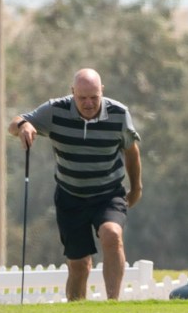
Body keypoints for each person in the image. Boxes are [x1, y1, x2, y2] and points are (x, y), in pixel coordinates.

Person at [10, 68, 142, 301]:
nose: (89, 103)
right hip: (70, 196)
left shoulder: (119, 114)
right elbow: (15, 123)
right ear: (72, 93)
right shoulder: (55, 110)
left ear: (102, 91)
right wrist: (24, 126)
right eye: (82, 98)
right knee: (79, 264)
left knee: (112, 235)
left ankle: (113, 304)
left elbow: (131, 151)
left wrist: (136, 188)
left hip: (108, 193)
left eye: (94, 97)